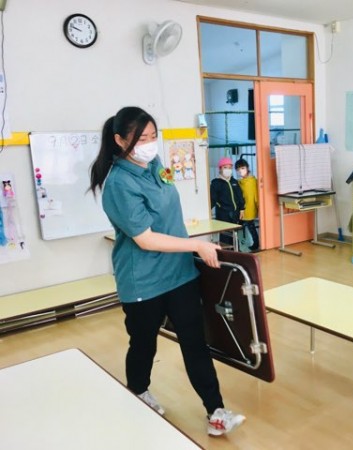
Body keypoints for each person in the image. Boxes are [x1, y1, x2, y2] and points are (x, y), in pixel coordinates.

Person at [89, 106, 244, 437]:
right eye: (140, 139)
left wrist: (185, 239)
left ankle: (216, 411)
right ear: (120, 141)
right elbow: (144, 239)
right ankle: (139, 391)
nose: (149, 144)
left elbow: (166, 206)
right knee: (144, 344)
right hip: (143, 281)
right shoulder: (119, 183)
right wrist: (196, 245)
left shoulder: (155, 165)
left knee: (195, 342)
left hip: (179, 274)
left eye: (152, 136)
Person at [210, 157, 245, 246]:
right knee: (225, 235)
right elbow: (212, 199)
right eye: (225, 167)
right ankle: (226, 251)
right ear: (220, 169)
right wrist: (207, 211)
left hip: (235, 213)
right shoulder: (216, 183)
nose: (228, 170)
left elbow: (240, 195)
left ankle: (236, 249)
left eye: (230, 168)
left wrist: (242, 209)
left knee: (235, 234)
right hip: (223, 214)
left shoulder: (234, 181)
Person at [234, 158, 259, 251]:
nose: (240, 171)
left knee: (250, 226)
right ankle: (239, 245)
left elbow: (256, 196)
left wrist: (258, 206)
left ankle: (256, 244)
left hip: (249, 207)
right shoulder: (239, 182)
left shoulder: (253, 181)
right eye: (238, 169)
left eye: (242, 168)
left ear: (247, 168)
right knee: (240, 226)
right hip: (241, 208)